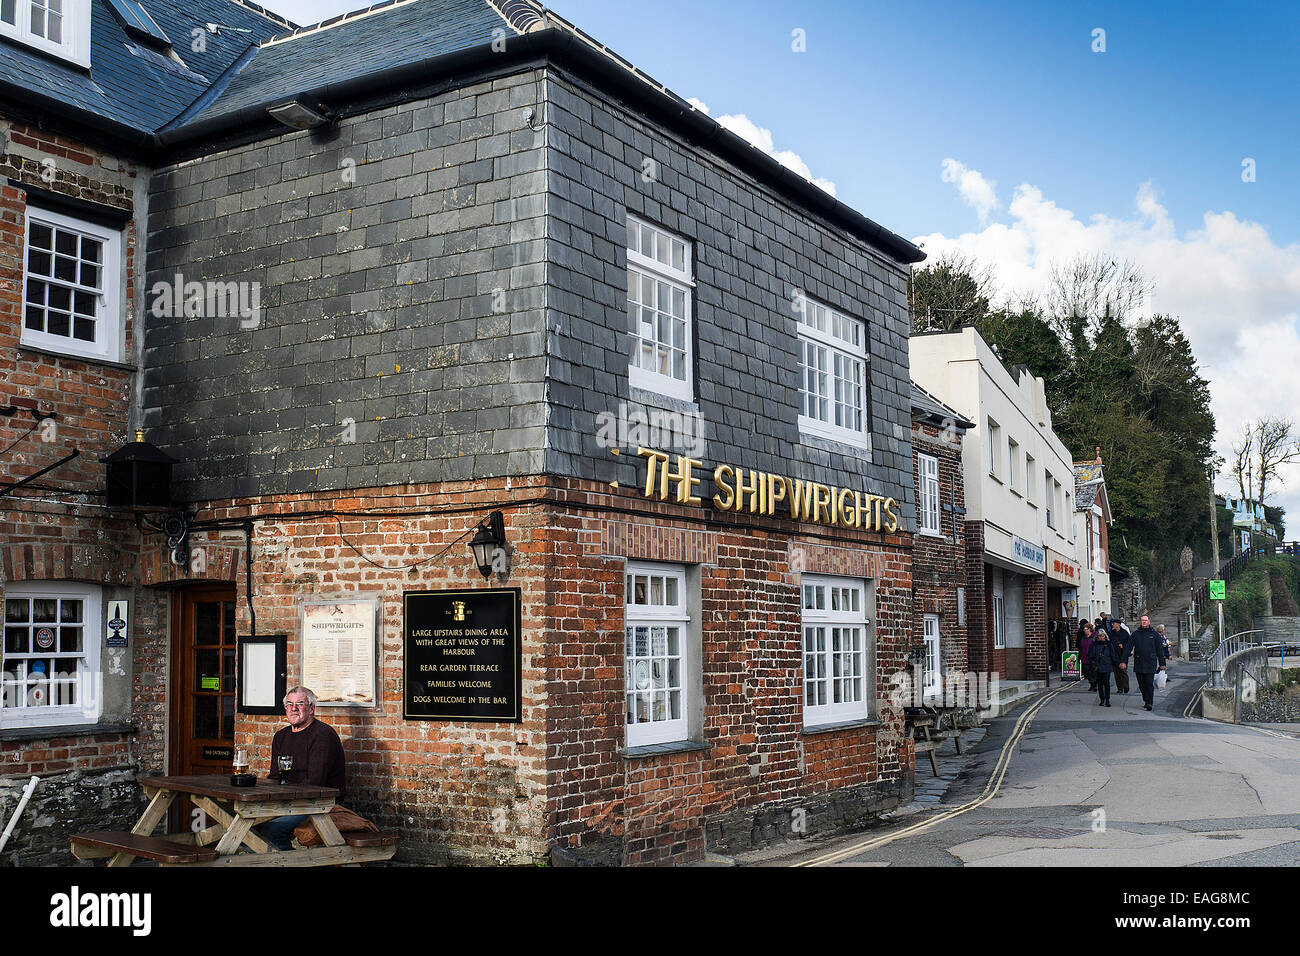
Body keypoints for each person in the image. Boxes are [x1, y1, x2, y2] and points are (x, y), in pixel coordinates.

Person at [259, 686, 347, 850]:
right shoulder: (281, 736)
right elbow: (274, 777)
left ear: (311, 708)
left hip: (319, 803)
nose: (294, 709)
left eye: (300, 704)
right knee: (252, 825)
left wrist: (283, 803)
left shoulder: (322, 736)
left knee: (272, 829)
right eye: (290, 704)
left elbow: (315, 783)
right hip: (290, 801)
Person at [1124, 615, 1168, 711]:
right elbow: (1128, 648)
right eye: (1142, 620)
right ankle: (1146, 699)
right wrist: (1123, 661)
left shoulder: (1155, 635)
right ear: (1141, 622)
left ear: (1149, 622)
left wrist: (1162, 664)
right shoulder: (1135, 634)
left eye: (1145, 620)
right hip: (1139, 662)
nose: (1144, 622)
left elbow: (1160, 650)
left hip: (1150, 663)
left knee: (1149, 683)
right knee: (1141, 684)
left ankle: (1149, 702)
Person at [1088, 625, 1120, 707]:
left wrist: (1118, 663)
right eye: (1100, 636)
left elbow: (1113, 655)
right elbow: (1090, 655)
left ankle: (1107, 700)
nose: (1102, 637)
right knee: (1100, 684)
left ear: (1105, 636)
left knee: (1106, 684)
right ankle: (1102, 700)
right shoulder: (1094, 644)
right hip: (1097, 667)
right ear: (1097, 637)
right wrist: (1092, 663)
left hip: (1107, 666)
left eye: (1103, 636)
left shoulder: (1109, 644)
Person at [1110, 620, 1131, 694]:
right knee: (1116, 673)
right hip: (1114, 655)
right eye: (1112, 623)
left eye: (1114, 623)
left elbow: (1129, 644)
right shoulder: (1111, 633)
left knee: (1123, 671)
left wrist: (1123, 646)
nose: (1112, 625)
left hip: (1123, 655)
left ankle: (1126, 687)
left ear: (1118, 624)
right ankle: (1119, 688)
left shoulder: (1124, 633)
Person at [1079, 622, 1096, 691]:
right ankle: (1092, 684)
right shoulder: (1083, 638)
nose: (1084, 630)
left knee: (1093, 673)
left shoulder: (1094, 638)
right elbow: (1081, 648)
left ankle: (1094, 685)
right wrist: (1079, 657)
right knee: (1087, 673)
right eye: (1084, 629)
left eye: (1085, 629)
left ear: (1089, 629)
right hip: (1084, 658)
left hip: (1092, 658)